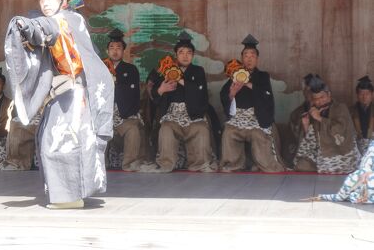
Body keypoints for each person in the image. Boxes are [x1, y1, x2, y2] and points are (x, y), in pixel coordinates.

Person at [4, 0, 114, 209]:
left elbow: (45, 29)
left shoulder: (66, 20)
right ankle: (68, 194)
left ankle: (70, 197)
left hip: (74, 95)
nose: (45, 2)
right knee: (51, 142)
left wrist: (26, 26)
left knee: (59, 144)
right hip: (61, 94)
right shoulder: (63, 19)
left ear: (63, 0)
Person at [145, 32, 216, 173]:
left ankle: (199, 164)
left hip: (193, 114)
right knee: (166, 129)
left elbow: (199, 92)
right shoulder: (165, 70)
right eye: (181, 52)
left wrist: (179, 79)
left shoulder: (198, 71)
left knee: (201, 129)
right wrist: (161, 89)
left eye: (189, 52)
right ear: (176, 54)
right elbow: (155, 95)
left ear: (193, 55)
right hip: (172, 115)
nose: (185, 55)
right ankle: (166, 164)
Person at [219, 35, 285, 172]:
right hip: (239, 117)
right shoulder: (234, 75)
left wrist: (248, 84)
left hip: (256, 117)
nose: (249, 59)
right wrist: (232, 93)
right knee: (229, 132)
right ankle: (234, 164)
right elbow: (224, 95)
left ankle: (263, 164)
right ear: (242, 58)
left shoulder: (263, 76)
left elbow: (266, 95)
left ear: (257, 59)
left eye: (252, 56)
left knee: (258, 134)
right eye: (246, 56)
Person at [292, 75, 361, 173]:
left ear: (329, 95)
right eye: (316, 98)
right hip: (321, 151)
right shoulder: (315, 110)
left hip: (340, 152)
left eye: (322, 97)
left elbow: (339, 129)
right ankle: (322, 166)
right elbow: (313, 139)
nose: (319, 101)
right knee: (301, 165)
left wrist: (319, 118)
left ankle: (326, 167)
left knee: (332, 168)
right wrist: (306, 125)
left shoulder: (340, 108)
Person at [103, 28, 148, 171]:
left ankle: (129, 164)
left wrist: (116, 82)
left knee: (133, 129)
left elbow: (133, 95)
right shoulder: (100, 67)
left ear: (123, 51)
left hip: (124, 113)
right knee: (95, 129)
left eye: (118, 48)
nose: (115, 51)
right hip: (103, 114)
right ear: (107, 51)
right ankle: (100, 165)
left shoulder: (131, 69)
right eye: (112, 48)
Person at [350, 75, 373, 154]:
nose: (364, 97)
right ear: (357, 95)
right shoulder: (351, 111)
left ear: (372, 94)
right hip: (356, 146)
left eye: (367, 94)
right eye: (361, 94)